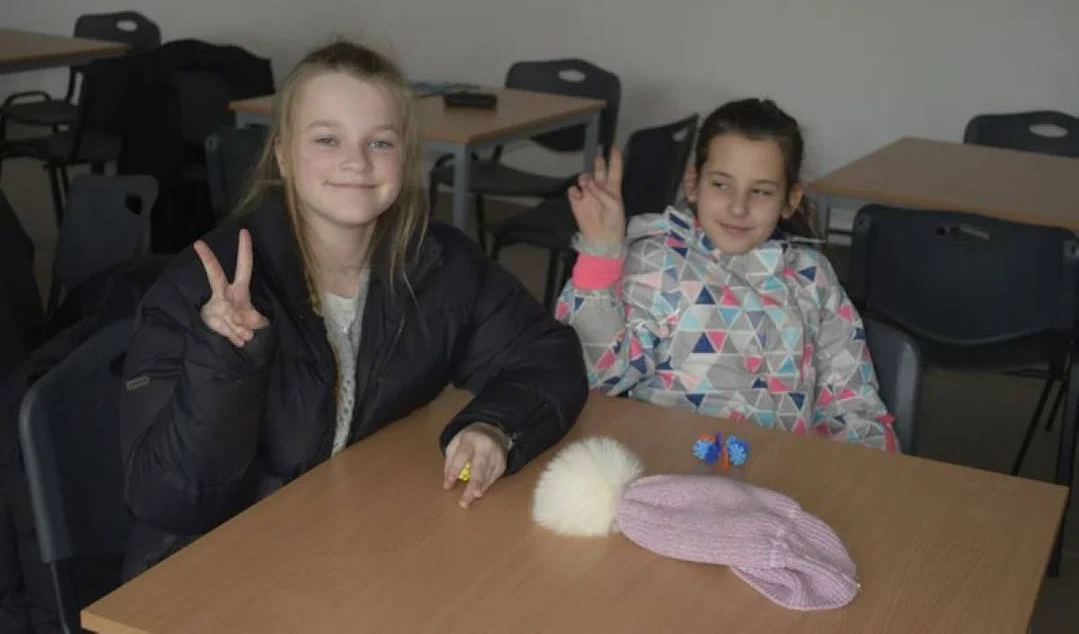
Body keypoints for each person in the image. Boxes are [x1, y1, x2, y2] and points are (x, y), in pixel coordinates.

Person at [120, 40, 589, 578]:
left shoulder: (436, 263)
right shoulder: (205, 290)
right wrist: (223, 359)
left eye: (380, 142)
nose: (356, 162)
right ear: (281, 154)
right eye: (327, 139)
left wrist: (496, 427)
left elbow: (545, 354)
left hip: (347, 540)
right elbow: (170, 501)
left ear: (405, 156)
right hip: (212, 569)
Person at [556, 98, 897, 452]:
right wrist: (600, 254)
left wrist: (865, 471)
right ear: (694, 183)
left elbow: (853, 404)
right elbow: (594, 377)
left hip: (785, 473)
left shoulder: (813, 278)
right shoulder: (657, 265)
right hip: (675, 468)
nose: (738, 207)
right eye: (721, 185)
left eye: (761, 191)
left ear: (790, 200)